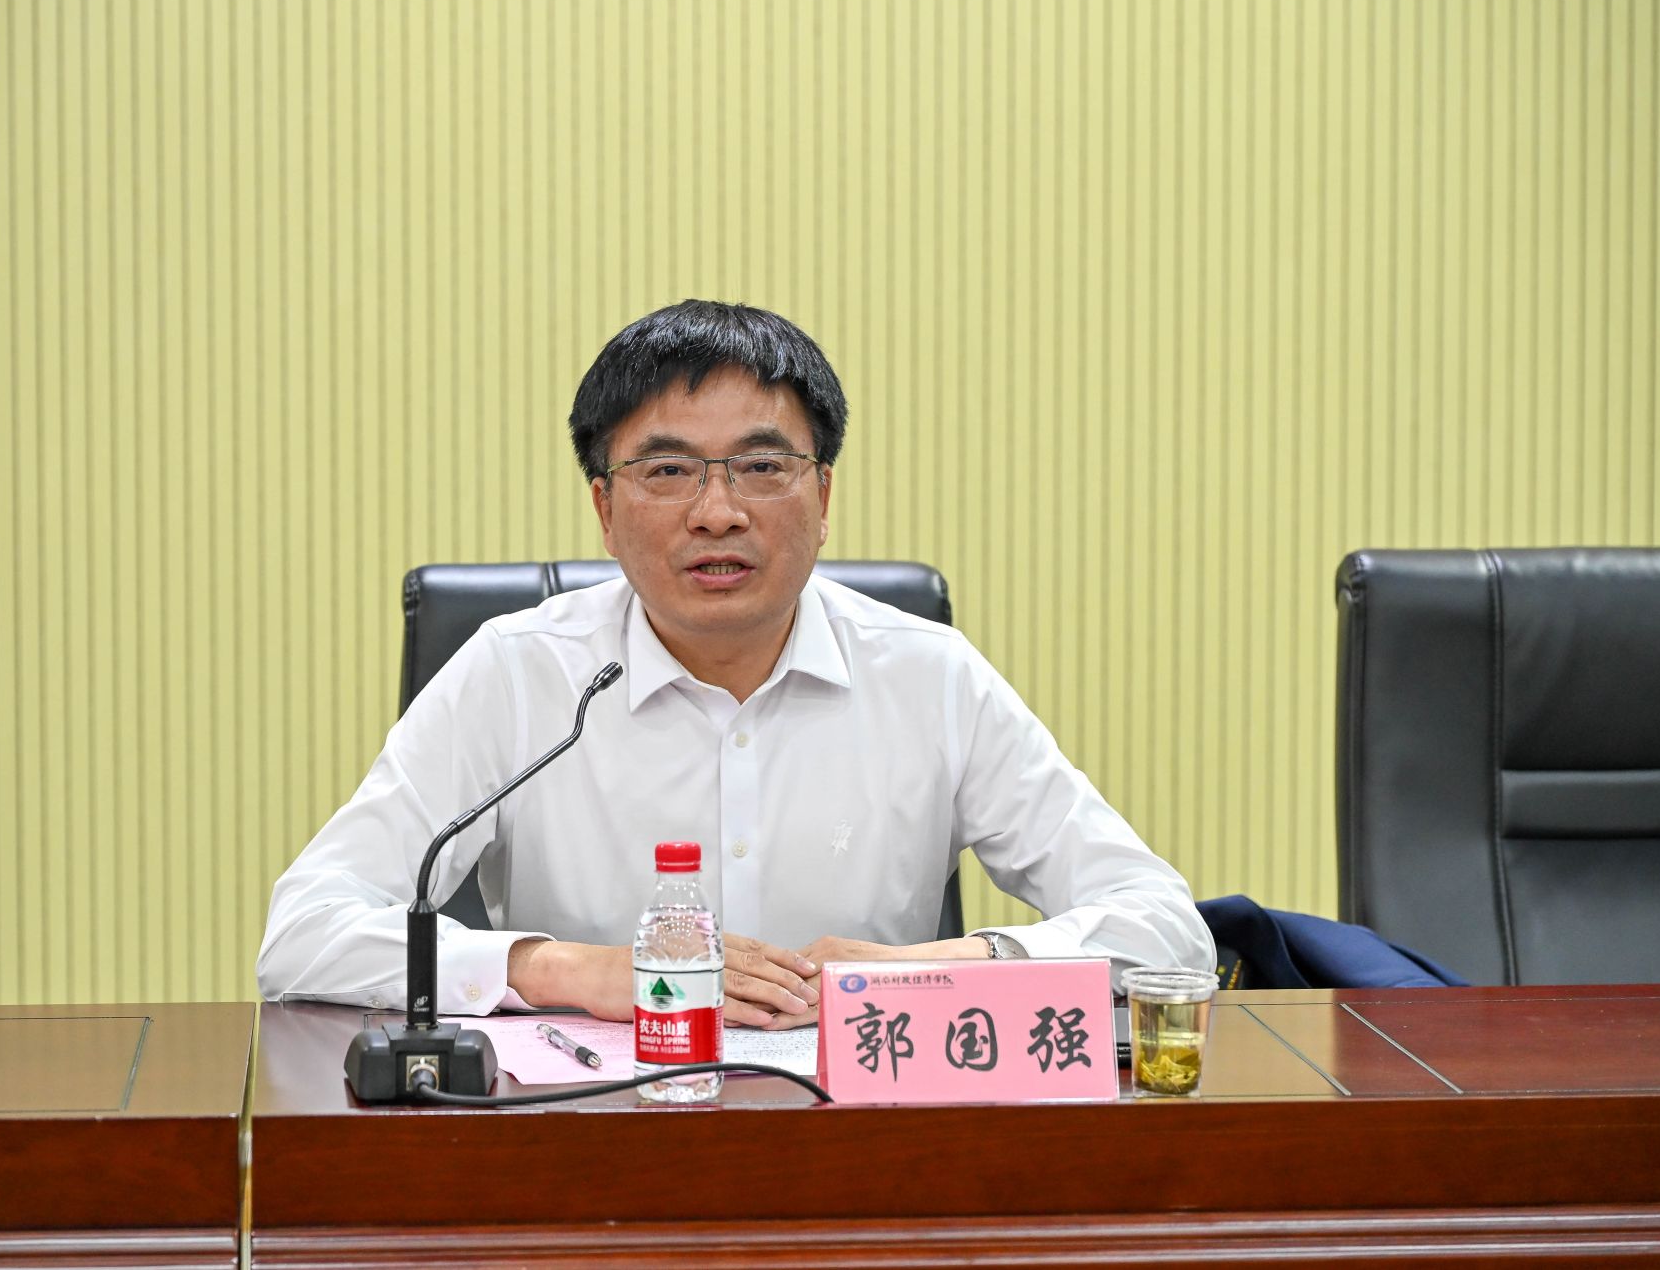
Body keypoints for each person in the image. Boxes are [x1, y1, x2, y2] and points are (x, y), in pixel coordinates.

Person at [257, 300, 1213, 1028]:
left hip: (862, 1154)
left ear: (822, 496)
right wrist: (568, 969)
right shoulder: (519, 675)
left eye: (761, 467)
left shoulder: (928, 676)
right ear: (604, 509)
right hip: (592, 1141)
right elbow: (305, 933)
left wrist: (938, 969)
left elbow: (1166, 930)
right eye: (667, 471)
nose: (717, 512)